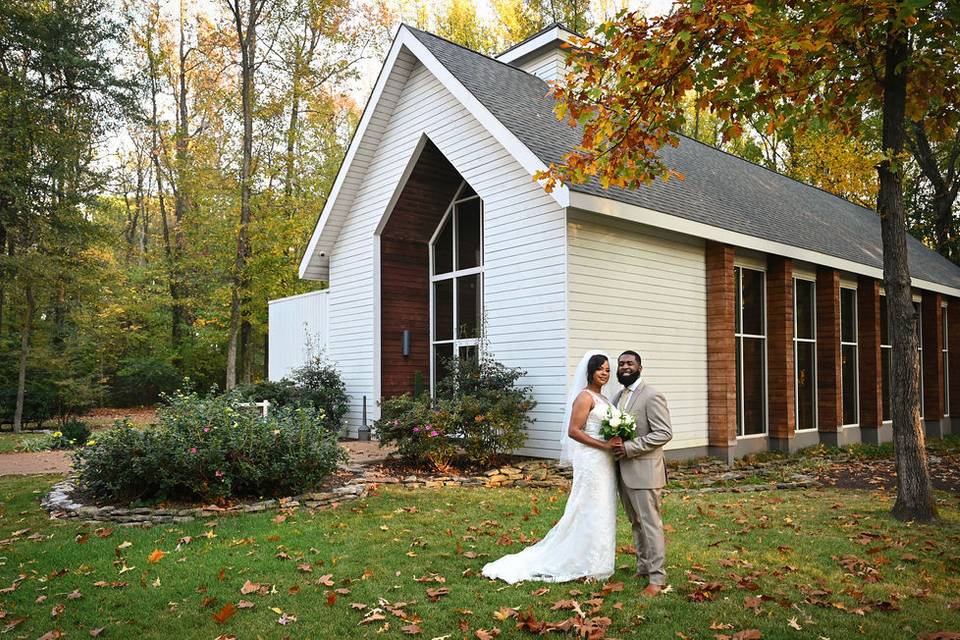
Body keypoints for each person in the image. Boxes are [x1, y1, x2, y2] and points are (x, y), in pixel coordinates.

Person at [481, 351, 618, 583]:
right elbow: (573, 431)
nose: (605, 373)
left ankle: (599, 561)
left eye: (607, 369)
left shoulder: (605, 399)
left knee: (603, 507)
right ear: (590, 372)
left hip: (605, 461)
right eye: (600, 369)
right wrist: (603, 444)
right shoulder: (585, 397)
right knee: (588, 506)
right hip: (592, 459)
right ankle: (584, 561)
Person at [609, 350, 673, 596]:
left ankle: (657, 579)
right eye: (621, 363)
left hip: (645, 471)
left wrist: (629, 448)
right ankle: (643, 567)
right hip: (623, 471)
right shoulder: (617, 397)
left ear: (640, 367)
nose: (625, 367)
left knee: (650, 524)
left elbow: (664, 433)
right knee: (635, 522)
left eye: (630, 363)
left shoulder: (652, 396)